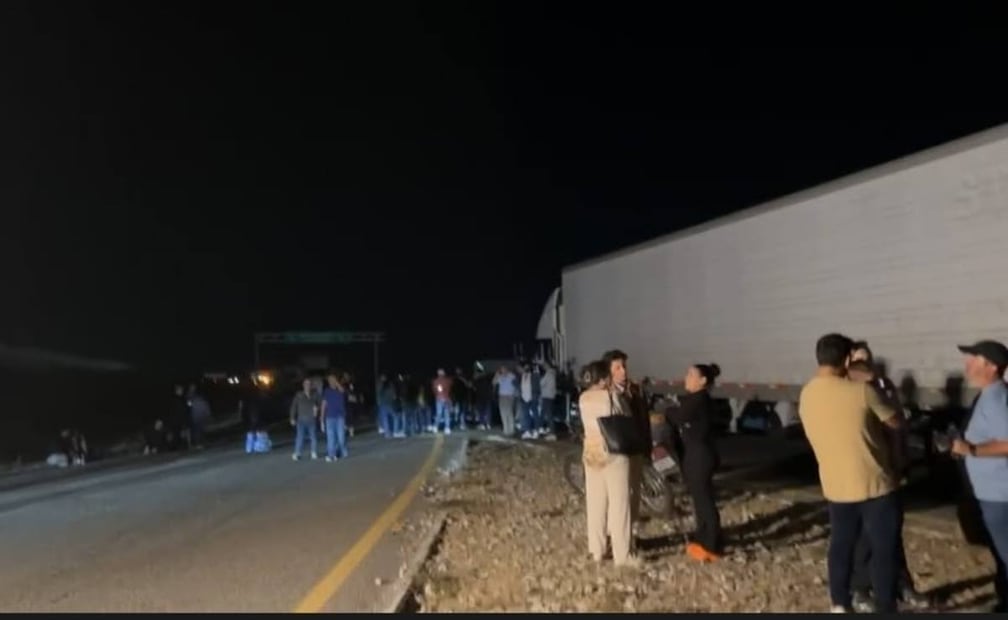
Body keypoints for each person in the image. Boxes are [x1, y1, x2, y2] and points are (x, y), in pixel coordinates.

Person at [799, 333, 904, 614]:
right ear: (847, 359)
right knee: (883, 550)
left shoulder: (807, 393)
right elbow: (894, 422)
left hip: (836, 486)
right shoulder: (861, 391)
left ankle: (839, 603)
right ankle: (885, 605)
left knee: (841, 545)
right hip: (875, 484)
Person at [845, 355, 930, 611]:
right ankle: (860, 589)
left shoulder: (883, 389)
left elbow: (897, 428)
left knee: (891, 535)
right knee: (865, 537)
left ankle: (901, 585)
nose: (867, 366)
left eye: (867, 360)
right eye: (859, 361)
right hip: (865, 478)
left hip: (890, 474)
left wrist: (901, 461)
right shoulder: (851, 398)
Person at [951, 340, 1008, 613]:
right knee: (1001, 555)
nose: (968, 365)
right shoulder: (989, 395)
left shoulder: (996, 398)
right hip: (992, 492)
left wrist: (971, 449)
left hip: (1000, 494)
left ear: (992, 366)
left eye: (974, 359)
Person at [578, 359, 641, 568]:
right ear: (605, 378)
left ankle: (596, 550)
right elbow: (626, 416)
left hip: (590, 454)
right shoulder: (611, 396)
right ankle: (622, 556)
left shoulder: (583, 398)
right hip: (613, 454)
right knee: (619, 505)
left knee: (595, 504)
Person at [665, 363, 723, 561]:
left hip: (700, 456)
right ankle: (703, 538)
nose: (686, 378)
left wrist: (667, 411)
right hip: (696, 454)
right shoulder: (696, 399)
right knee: (699, 500)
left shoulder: (699, 400)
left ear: (703, 381)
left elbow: (678, 416)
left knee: (704, 500)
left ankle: (712, 544)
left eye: (691, 375)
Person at [602, 349, 652, 530]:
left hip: (636, 449)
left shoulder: (635, 391)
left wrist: (647, 448)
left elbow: (644, 420)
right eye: (617, 368)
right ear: (608, 371)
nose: (623, 371)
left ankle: (632, 533)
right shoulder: (604, 394)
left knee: (634, 493)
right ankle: (613, 534)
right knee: (616, 497)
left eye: (624, 366)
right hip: (616, 454)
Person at [290, 378, 320, 461]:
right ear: (303, 385)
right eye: (306, 384)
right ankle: (297, 453)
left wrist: (317, 409)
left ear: (311, 386)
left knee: (313, 436)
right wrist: (292, 418)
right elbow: (294, 406)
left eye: (309, 384)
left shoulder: (315, 395)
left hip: (311, 419)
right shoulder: (299, 395)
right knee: (300, 437)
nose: (307, 386)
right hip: (301, 420)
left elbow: (320, 404)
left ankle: (313, 452)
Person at [321, 373, 349, 461]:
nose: (331, 381)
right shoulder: (326, 391)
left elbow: (343, 391)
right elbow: (323, 404)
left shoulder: (340, 389)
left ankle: (340, 451)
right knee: (331, 437)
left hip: (340, 417)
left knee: (341, 438)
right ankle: (331, 455)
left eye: (333, 380)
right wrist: (321, 418)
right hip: (330, 417)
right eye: (330, 380)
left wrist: (337, 384)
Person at [493, 365, 518, 436]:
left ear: (507, 369)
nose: (502, 370)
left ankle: (511, 429)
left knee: (509, 412)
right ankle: (506, 429)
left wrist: (515, 394)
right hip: (502, 396)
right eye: (501, 369)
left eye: (503, 369)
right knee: (503, 412)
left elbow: (515, 385)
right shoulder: (500, 377)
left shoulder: (511, 376)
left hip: (509, 396)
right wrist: (496, 374)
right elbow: (494, 382)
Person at [519, 363, 542, 439]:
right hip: (524, 398)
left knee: (535, 415)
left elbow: (537, 387)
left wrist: (536, 396)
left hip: (533, 398)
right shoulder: (521, 376)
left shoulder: (534, 376)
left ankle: (536, 431)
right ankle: (527, 431)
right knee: (525, 415)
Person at [188, 385, 212, 450]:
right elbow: (206, 408)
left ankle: (199, 443)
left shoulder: (194, 399)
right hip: (198, 417)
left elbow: (206, 408)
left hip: (197, 417)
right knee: (198, 431)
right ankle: (198, 443)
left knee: (199, 431)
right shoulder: (193, 398)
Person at [432, 369, 454, 435]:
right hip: (446, 398)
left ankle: (435, 426)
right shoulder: (448, 380)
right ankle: (447, 428)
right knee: (446, 414)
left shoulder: (436, 381)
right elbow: (451, 387)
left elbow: (436, 391)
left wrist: (438, 395)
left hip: (439, 398)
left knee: (439, 413)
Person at [540, 363, 558, 435]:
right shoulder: (553, 374)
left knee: (548, 414)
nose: (543, 367)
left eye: (544, 365)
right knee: (548, 413)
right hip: (551, 395)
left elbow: (541, 383)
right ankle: (548, 429)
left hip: (546, 395)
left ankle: (551, 431)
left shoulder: (548, 374)